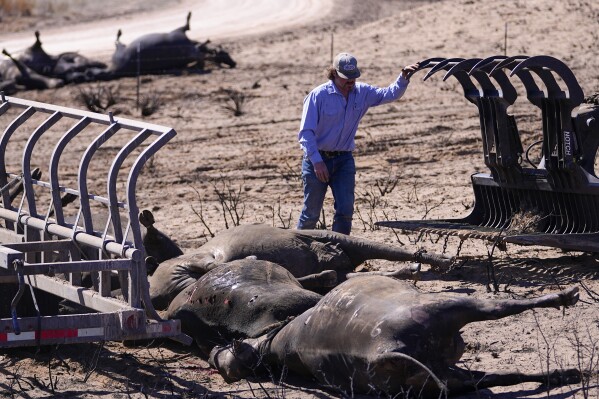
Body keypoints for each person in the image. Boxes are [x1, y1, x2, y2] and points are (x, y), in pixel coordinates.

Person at [296, 52, 419, 235]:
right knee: (311, 213)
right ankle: (297, 251)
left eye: (353, 77)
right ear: (334, 74)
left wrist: (403, 78)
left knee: (345, 211)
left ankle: (340, 251)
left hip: (344, 160)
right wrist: (316, 161)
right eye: (346, 78)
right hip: (317, 160)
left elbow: (389, 94)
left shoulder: (362, 92)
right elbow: (306, 133)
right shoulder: (318, 96)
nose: (350, 81)